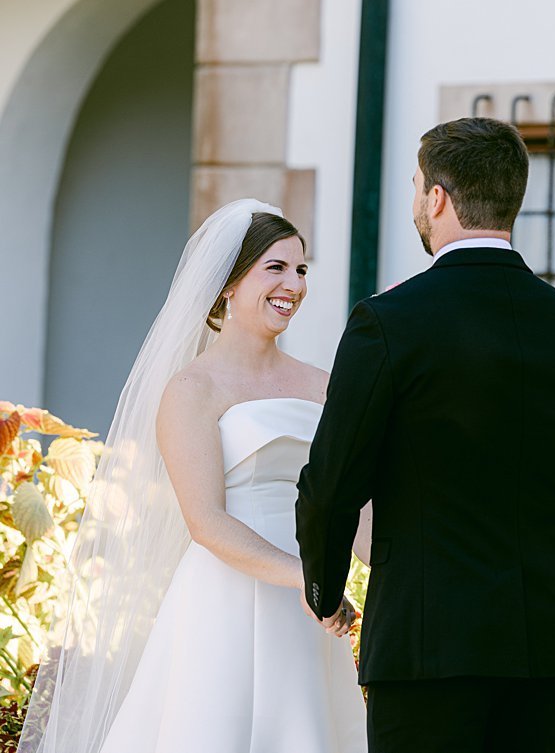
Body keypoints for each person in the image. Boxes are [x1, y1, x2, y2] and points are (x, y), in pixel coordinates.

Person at [296, 117, 555, 753]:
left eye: (417, 187)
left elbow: (333, 483)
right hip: (544, 647)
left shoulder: (387, 323)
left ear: (438, 198)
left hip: (425, 643)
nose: (417, 202)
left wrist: (325, 588)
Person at [24, 200, 368, 752]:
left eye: (301, 269)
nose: (294, 284)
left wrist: (398, 568)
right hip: (228, 593)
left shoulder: (324, 385)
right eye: (275, 268)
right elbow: (206, 521)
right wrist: (310, 579)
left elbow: (358, 504)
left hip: (311, 606)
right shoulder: (192, 389)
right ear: (229, 284)